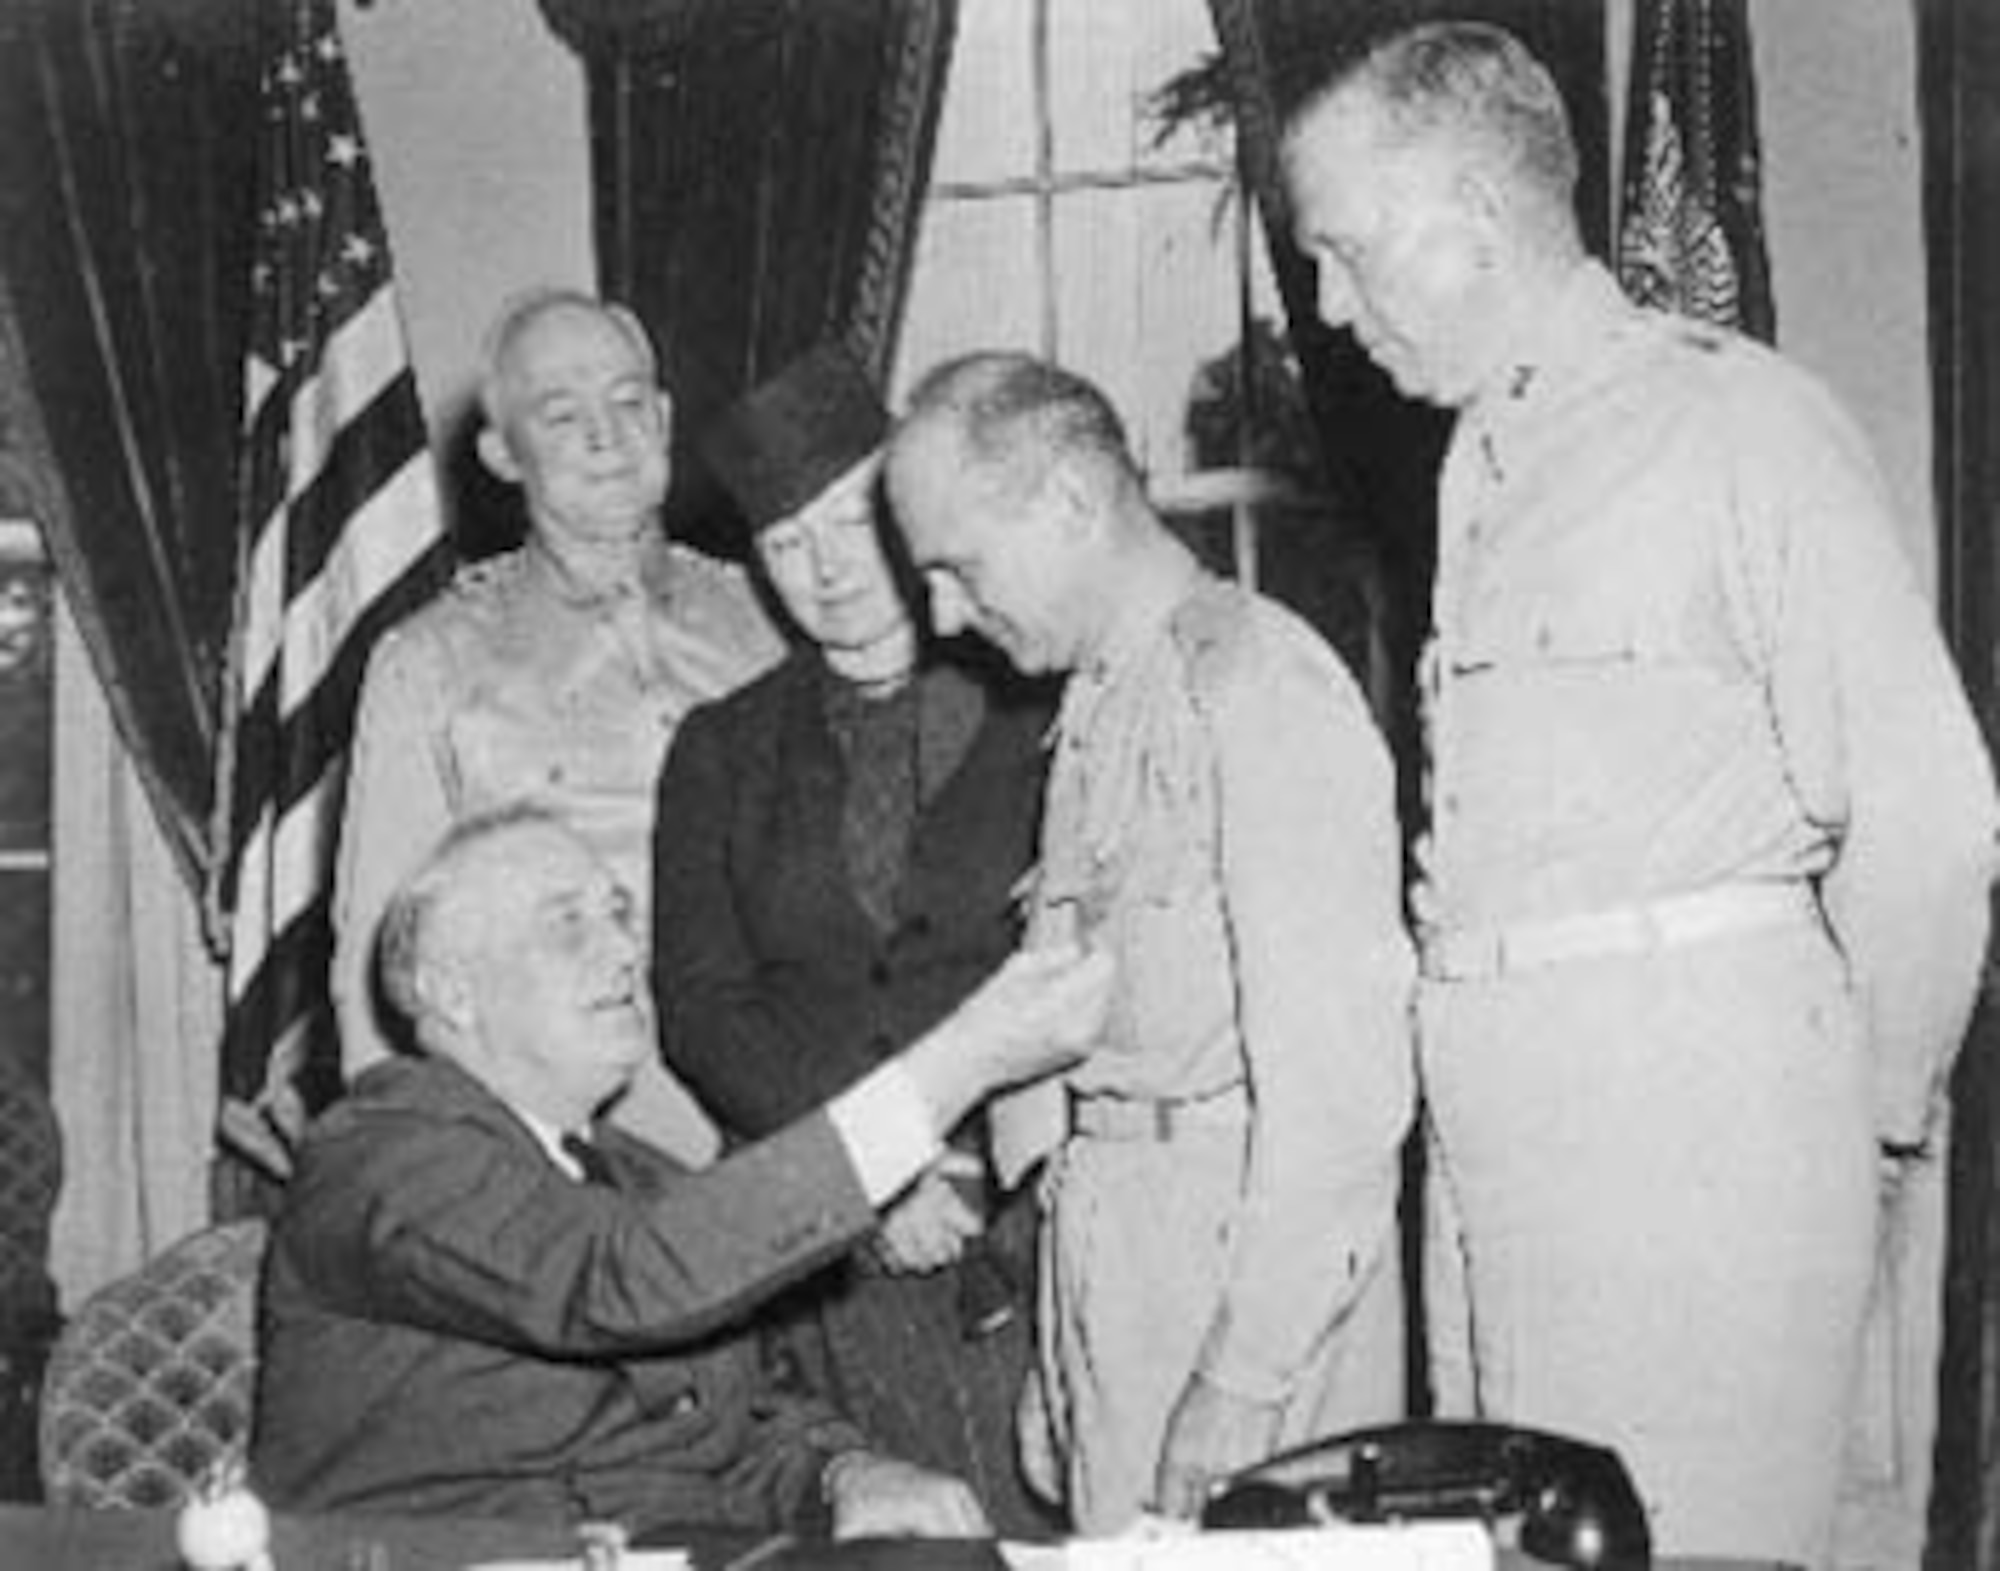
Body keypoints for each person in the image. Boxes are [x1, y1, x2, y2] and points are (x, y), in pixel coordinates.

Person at [1280, 22, 1999, 1565]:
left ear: (1474, 217)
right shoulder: (1482, 462)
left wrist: (1857, 1126)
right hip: (1501, 1140)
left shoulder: (1736, 424)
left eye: (1344, 254)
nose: (1328, 312)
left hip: (1691, 1148)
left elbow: (1932, 819)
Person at [255, 804, 1113, 1540]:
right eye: (568, 924)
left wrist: (840, 1473)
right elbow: (627, 1279)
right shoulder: (383, 1147)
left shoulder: (632, 1173)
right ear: (451, 993)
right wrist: (960, 1061)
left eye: (620, 913)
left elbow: (739, 1412)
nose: (625, 952)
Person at [883, 353, 1416, 1533]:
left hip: (1240, 1279)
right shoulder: (1096, 706)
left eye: (957, 567)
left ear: (1072, 502)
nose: (940, 614)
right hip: (1120, 1260)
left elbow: (1340, 1097)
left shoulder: (1254, 685)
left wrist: (1243, 1373)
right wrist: (1067, 1351)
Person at [653, 344, 1057, 1535]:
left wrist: (983, 1168)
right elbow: (703, 1003)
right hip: (824, 1252)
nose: (826, 569)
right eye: (786, 543)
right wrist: (864, 1175)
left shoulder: (1039, 699)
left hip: (1032, 1227)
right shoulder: (720, 750)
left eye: (847, 520)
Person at [332, 286, 786, 1162]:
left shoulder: (770, 622)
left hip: (783, 1129)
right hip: (566, 1153)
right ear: (502, 453)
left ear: (662, 417)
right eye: (560, 414)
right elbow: (378, 970)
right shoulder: (430, 663)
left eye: (626, 404)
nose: (605, 437)